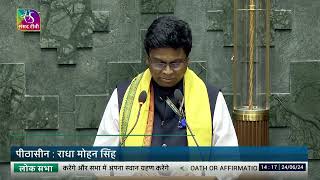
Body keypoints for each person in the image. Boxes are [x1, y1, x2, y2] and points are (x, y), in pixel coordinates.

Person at [94, 16, 238, 147]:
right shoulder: (123, 96)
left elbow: (230, 167)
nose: (167, 71)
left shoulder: (211, 98)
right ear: (148, 60)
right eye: (159, 63)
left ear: (187, 61)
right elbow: (101, 160)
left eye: (175, 63)